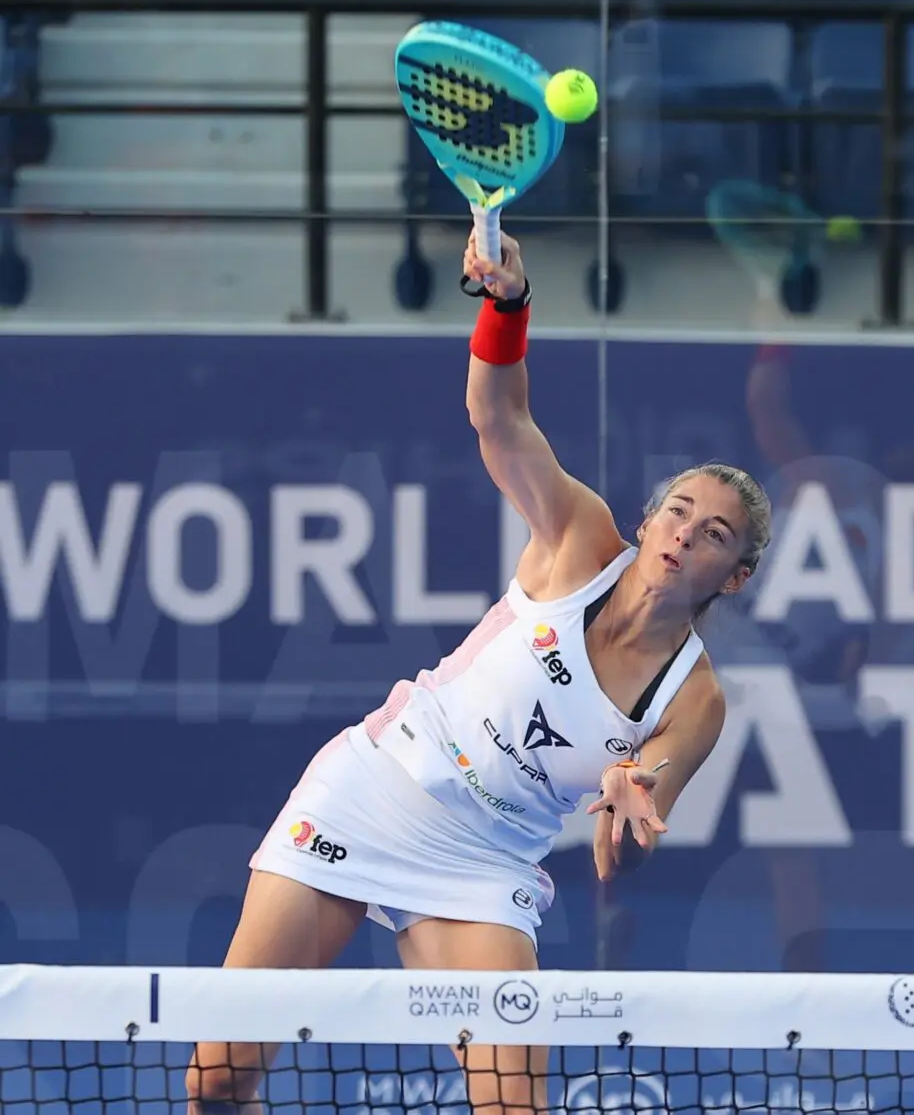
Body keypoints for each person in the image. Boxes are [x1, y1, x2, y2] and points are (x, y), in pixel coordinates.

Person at [185, 229, 773, 1115]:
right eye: (678, 512)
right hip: (377, 787)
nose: (686, 532)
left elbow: (633, 829)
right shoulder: (579, 539)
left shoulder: (695, 698)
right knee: (220, 1078)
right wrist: (508, 305)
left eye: (714, 534)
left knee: (511, 1110)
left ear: (733, 576)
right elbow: (499, 418)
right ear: (650, 523)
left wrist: (627, 794)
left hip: (483, 861)